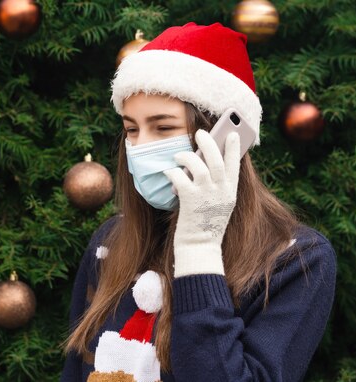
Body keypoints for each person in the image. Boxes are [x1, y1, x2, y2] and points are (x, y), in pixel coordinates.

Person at [61, 22, 336, 382]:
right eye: (131, 129)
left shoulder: (295, 258)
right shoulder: (110, 242)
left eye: (163, 128)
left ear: (224, 139)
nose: (140, 147)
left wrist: (199, 248)